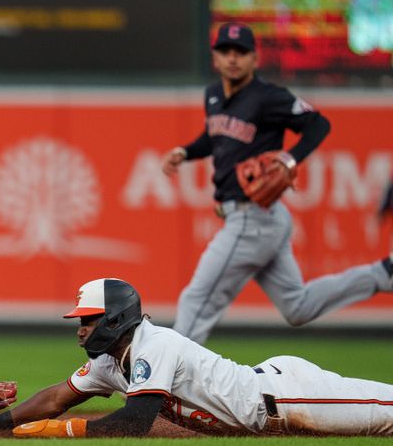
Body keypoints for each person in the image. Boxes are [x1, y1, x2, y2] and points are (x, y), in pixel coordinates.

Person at [160, 22, 392, 344]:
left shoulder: (269, 97)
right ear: (215, 58)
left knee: (196, 299)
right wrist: (186, 151)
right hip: (262, 220)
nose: (232, 58)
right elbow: (215, 137)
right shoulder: (213, 95)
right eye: (226, 51)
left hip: (252, 217)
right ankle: (382, 274)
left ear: (254, 59)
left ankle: (164, 384)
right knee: (298, 306)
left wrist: (290, 158)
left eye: (241, 52)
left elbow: (318, 124)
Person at [0, 278, 393, 438]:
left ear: (114, 319)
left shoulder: (154, 344)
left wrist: (61, 431)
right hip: (269, 387)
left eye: (87, 321)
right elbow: (56, 397)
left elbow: (132, 424)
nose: (80, 330)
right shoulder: (112, 359)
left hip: (286, 399)